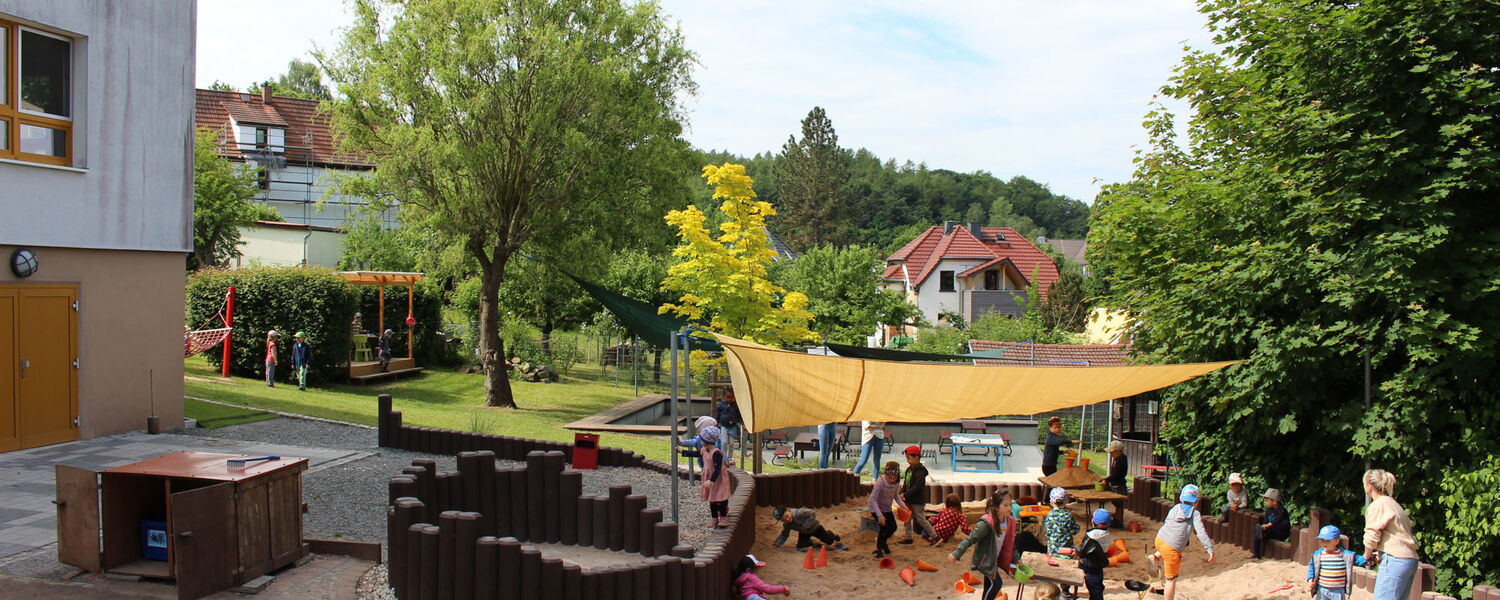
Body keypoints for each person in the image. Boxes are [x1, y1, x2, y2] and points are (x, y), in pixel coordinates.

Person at [947, 489, 1018, 600]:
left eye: (1010, 504)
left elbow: (1010, 543)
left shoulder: (1009, 521)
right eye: (1005, 505)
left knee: (989, 585)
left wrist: (1016, 559)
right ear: (996, 507)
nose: (1009, 508)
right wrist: (957, 553)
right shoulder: (986, 523)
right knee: (996, 583)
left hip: (994, 559)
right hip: (985, 560)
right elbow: (971, 538)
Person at [1149, 484, 1215, 600]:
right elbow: (1201, 532)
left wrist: (1183, 539)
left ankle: (1156, 556)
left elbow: (1168, 523)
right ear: (1197, 501)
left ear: (1181, 498)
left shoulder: (1175, 508)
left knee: (1165, 547)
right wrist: (1209, 549)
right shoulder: (1195, 514)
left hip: (1160, 539)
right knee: (1171, 580)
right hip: (1172, 548)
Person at [1362, 469, 1420, 600]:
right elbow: (1397, 535)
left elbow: (1371, 536)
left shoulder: (1377, 505)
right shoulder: (1393, 503)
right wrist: (1380, 553)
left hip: (1395, 561)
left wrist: (1367, 554)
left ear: (1369, 486)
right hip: (1408, 559)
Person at [1306, 525, 1367, 600]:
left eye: (1328, 540)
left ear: (1336, 541)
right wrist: (1310, 579)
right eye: (1322, 540)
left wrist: (1369, 558)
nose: (1324, 543)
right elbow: (1311, 567)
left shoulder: (1344, 555)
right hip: (1322, 589)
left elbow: (1357, 559)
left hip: (1338, 591)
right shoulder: (1317, 555)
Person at [897, 445, 936, 545]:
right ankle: (909, 538)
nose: (907, 460)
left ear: (917, 457)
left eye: (909, 458)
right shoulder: (909, 470)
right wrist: (902, 492)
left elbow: (917, 487)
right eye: (907, 458)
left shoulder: (920, 471)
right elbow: (906, 483)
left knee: (920, 519)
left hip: (917, 500)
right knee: (907, 518)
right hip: (909, 499)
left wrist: (905, 494)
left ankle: (934, 536)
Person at [867, 461, 908, 558]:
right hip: (876, 508)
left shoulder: (896, 483)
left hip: (887, 508)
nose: (892, 480)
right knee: (883, 528)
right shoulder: (880, 482)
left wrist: (903, 506)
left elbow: (895, 496)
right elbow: (872, 499)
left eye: (894, 478)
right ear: (886, 475)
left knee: (893, 527)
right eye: (890, 477)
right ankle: (879, 549)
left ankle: (882, 541)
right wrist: (879, 515)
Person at [697, 423, 731, 528]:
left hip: (718, 480)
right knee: (712, 500)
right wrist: (681, 451)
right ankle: (714, 518)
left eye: (701, 439)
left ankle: (723, 517)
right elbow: (695, 454)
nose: (700, 441)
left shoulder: (716, 453)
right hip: (710, 479)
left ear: (707, 441)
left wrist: (711, 480)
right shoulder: (704, 450)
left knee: (720, 499)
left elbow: (717, 470)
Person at [771, 507, 848, 551]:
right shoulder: (787, 525)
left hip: (815, 528)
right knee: (800, 547)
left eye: (787, 516)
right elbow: (784, 535)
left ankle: (831, 534)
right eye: (784, 520)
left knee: (830, 541)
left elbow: (812, 513)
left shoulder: (799, 513)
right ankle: (812, 543)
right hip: (804, 532)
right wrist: (777, 544)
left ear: (788, 510)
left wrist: (806, 526)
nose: (787, 519)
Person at [1077, 508, 1113, 600]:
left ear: (1093, 522)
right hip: (1099, 566)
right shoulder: (1106, 535)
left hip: (1089, 567)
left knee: (1094, 591)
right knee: (1098, 586)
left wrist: (1075, 550)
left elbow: (1083, 551)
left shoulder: (1090, 536)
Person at [1253, 488, 1291, 559]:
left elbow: (1277, 520)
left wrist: (1268, 525)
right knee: (1256, 536)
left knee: (1280, 526)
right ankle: (1256, 554)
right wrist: (1263, 527)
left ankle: (1262, 533)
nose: (1265, 502)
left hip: (1281, 532)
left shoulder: (1282, 510)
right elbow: (1265, 522)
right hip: (1272, 531)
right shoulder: (1268, 511)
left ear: (1275, 502)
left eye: (1267, 501)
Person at [1043, 487, 1080, 555]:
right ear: (1066, 501)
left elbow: (1046, 531)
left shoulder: (1048, 515)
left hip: (1052, 552)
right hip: (1066, 552)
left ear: (1051, 501)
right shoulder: (1067, 516)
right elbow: (1075, 531)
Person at [715, 388, 743, 459]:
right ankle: (724, 457)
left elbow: (739, 415)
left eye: (731, 397)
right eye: (728, 397)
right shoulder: (721, 405)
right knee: (724, 442)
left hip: (732, 426)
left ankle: (730, 457)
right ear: (724, 397)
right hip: (723, 426)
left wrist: (743, 424)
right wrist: (716, 424)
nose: (730, 399)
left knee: (731, 443)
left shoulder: (735, 405)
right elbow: (718, 415)